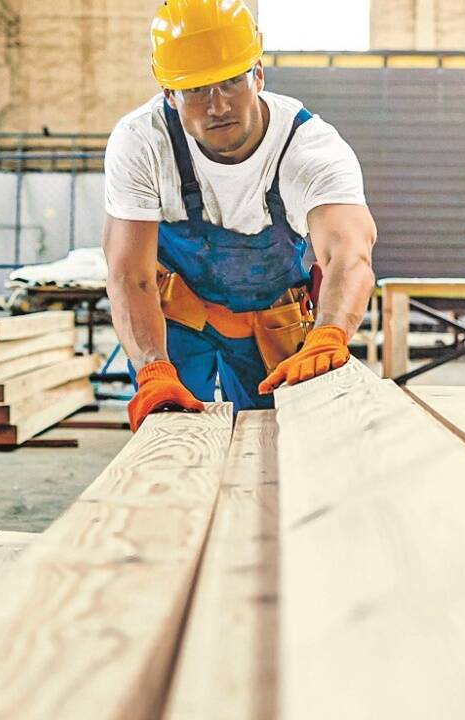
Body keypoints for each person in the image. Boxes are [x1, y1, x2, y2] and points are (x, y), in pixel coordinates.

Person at [103, 0, 377, 431]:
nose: (217, 106)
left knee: (276, 440)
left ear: (259, 74)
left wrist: (330, 331)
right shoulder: (142, 143)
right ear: (169, 94)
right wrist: (152, 367)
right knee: (170, 432)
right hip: (176, 317)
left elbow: (349, 254)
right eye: (195, 89)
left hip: (269, 322)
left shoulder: (309, 147)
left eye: (231, 82)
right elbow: (129, 274)